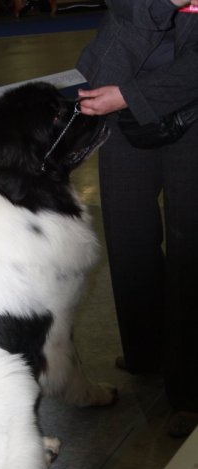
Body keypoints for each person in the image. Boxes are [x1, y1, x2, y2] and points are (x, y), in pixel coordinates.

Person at [75, 0, 198, 437]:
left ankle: (189, 390)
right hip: (123, 95)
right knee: (128, 235)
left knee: (189, 244)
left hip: (191, 103)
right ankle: (145, 348)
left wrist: (130, 95)